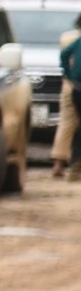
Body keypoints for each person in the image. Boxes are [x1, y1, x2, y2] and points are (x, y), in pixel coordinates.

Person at [56, 15, 81, 180]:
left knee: (67, 123)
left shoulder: (69, 38)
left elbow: (64, 55)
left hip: (73, 87)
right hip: (75, 85)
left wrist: (69, 75)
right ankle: (75, 164)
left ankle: (60, 163)